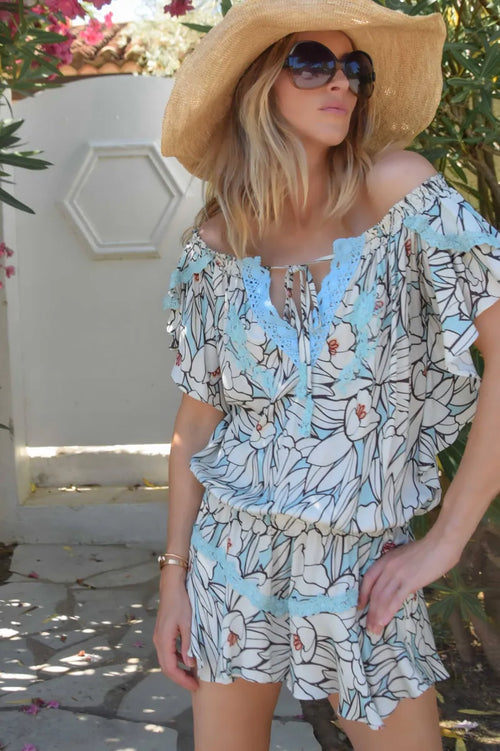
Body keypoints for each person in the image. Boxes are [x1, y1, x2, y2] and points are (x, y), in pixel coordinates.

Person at [153, 1, 500, 749]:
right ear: (259, 88)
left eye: (354, 67)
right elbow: (195, 424)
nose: (341, 81)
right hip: (230, 558)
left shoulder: (400, 193)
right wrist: (172, 579)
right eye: (312, 63)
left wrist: (444, 542)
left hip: (363, 568)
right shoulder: (216, 244)